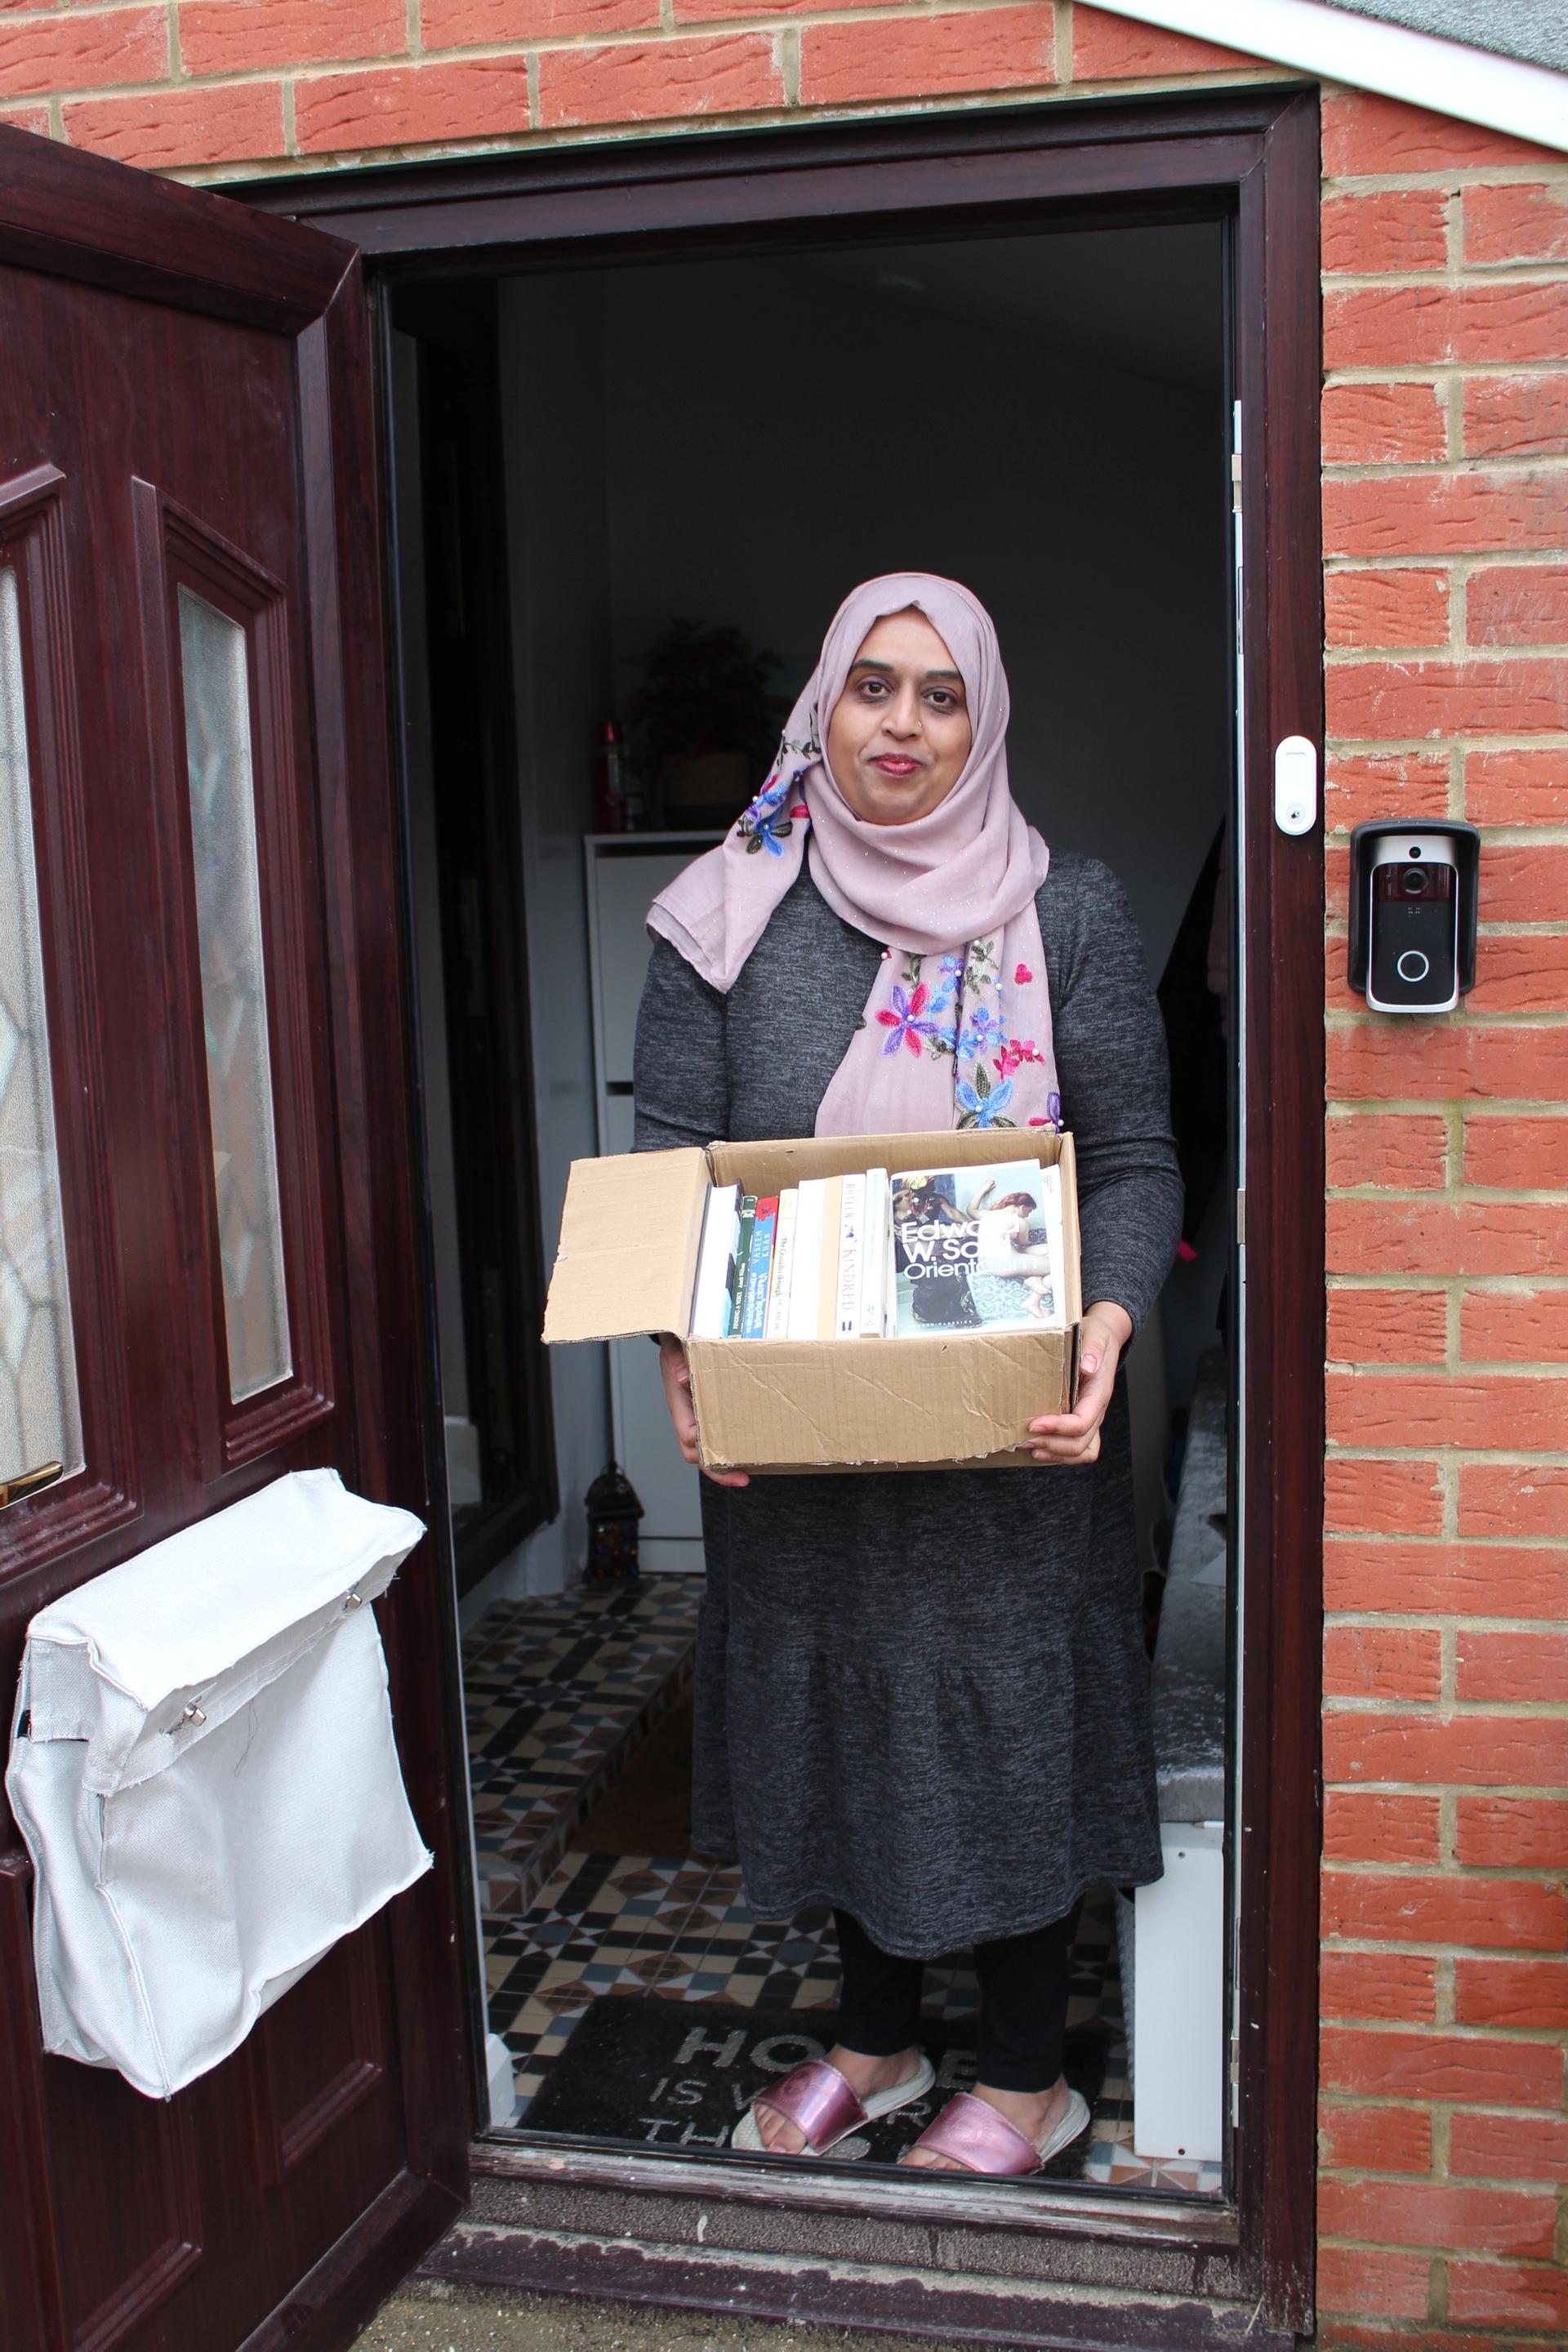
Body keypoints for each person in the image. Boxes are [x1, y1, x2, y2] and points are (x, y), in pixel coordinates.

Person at [634, 574, 1181, 2177]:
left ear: (985, 718)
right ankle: (874, 2048)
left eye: (942, 696)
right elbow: (670, 1158)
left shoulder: (1062, 908)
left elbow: (1137, 1159)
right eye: (874, 686)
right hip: (800, 1429)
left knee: (1000, 1721)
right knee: (841, 1719)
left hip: (1006, 1425)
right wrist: (681, 1350)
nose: (902, 724)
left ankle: (1022, 2080)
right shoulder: (730, 907)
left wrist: (1109, 1323)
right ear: (824, 701)